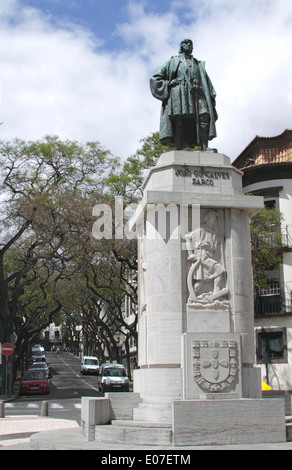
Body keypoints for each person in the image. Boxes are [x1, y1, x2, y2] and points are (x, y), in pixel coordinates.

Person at [150, 39, 218, 151]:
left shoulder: (198, 64)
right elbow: (155, 78)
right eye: (185, 43)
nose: (188, 45)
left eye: (190, 44)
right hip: (179, 93)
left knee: (204, 115)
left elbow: (206, 83)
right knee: (179, 120)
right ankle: (179, 149)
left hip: (197, 94)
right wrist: (168, 83)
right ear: (181, 47)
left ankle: (205, 147)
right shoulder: (173, 61)